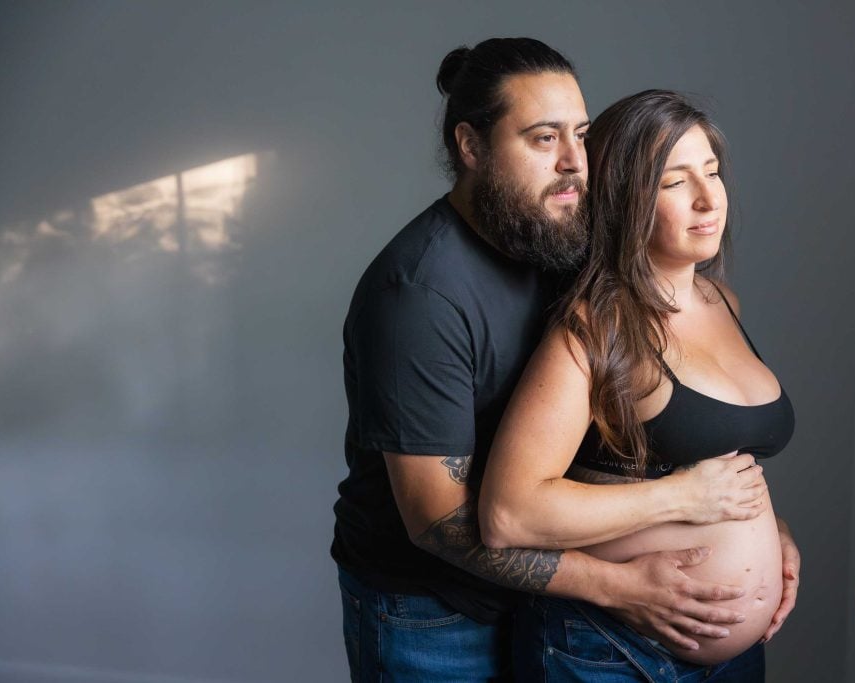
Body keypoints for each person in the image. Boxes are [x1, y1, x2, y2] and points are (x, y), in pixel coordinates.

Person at [331, 40, 793, 680]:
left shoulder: (560, 239)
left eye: (580, 134)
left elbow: (646, 425)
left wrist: (757, 527)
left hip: (545, 584)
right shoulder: (419, 297)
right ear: (470, 147)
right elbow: (441, 521)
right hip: (435, 607)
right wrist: (618, 585)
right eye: (545, 139)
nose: (576, 162)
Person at [479, 90, 800, 681]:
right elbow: (508, 514)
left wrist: (768, 529)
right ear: (626, 202)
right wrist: (685, 500)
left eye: (712, 171)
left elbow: (714, 454)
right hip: (610, 650)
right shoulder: (592, 330)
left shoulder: (722, 301)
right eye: (675, 182)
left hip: (730, 657)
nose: (709, 199)